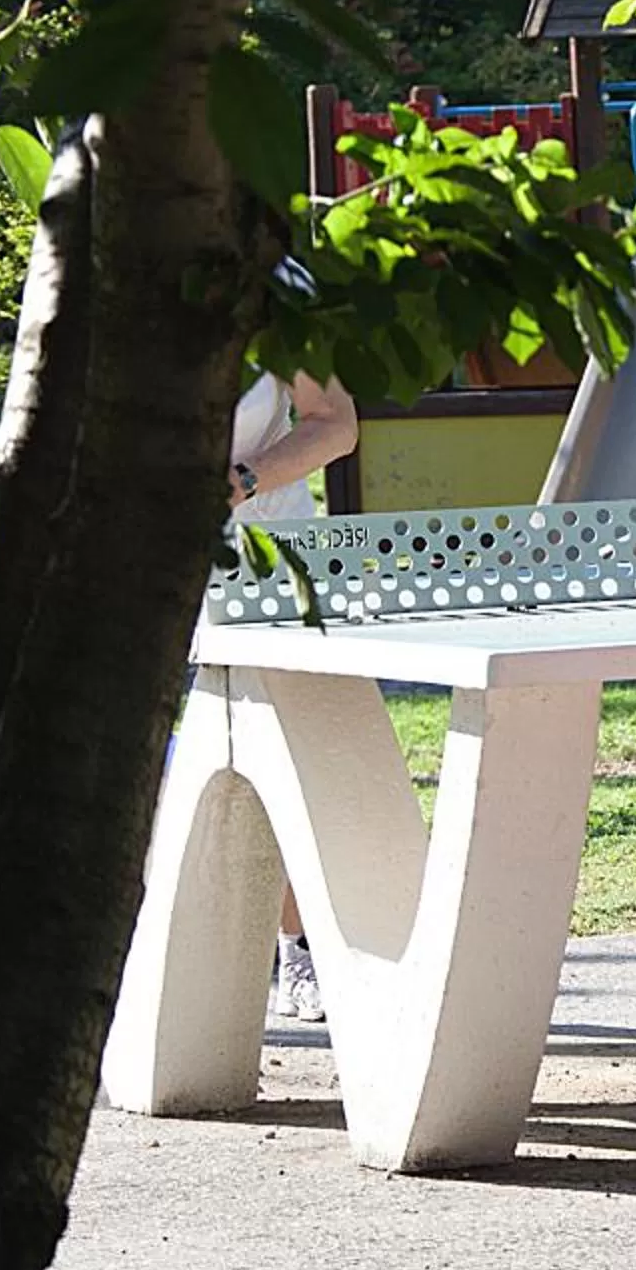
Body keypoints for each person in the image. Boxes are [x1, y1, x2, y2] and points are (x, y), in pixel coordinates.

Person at [225, 365, 360, 1022]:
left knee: (292, 761)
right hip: (141, 561)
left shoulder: (281, 300)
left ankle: (299, 951)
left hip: (267, 562)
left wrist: (241, 482)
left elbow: (337, 427)